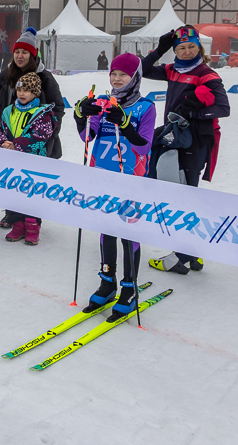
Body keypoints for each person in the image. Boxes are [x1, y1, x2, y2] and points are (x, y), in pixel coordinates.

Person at [73, 53, 155, 319]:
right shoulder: (103, 102)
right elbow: (88, 136)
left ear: (135, 78)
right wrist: (80, 114)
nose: (117, 79)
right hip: (102, 177)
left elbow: (144, 145)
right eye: (113, 74)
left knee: (128, 232)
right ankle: (107, 281)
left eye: (123, 75)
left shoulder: (146, 106)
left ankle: (129, 288)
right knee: (106, 229)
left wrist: (125, 122)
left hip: (131, 179)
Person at [143, 26, 230, 274]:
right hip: (175, 138)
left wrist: (191, 114)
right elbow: (142, 70)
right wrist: (159, 49)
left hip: (196, 141)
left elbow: (223, 108)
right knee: (182, 193)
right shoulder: (172, 70)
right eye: (181, 47)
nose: (187, 51)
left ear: (199, 48)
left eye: (192, 46)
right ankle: (193, 253)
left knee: (186, 196)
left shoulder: (206, 74)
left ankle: (179, 257)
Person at [0, 27, 65, 228]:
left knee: (31, 178)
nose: (20, 56)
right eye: (17, 52)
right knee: (10, 176)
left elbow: (58, 107)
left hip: (34, 142)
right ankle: (12, 214)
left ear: (33, 55)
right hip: (7, 138)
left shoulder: (45, 78)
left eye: (24, 52)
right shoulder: (4, 76)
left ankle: (32, 218)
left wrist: (49, 132)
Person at [0, 72, 57, 245]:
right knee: (15, 193)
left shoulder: (42, 113)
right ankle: (18, 225)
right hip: (12, 161)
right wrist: (3, 142)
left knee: (31, 194)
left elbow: (40, 135)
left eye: (27, 90)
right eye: (19, 89)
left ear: (35, 92)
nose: (22, 93)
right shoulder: (9, 110)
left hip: (33, 161)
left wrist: (16, 145)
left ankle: (33, 227)